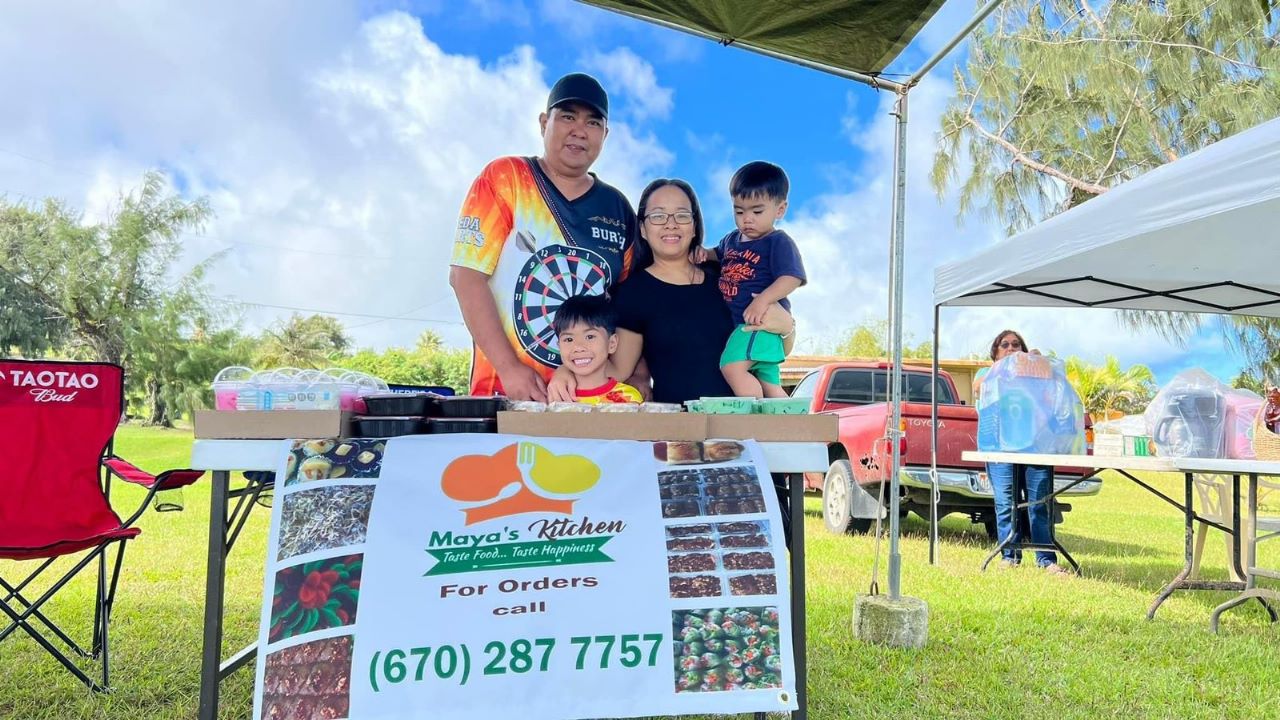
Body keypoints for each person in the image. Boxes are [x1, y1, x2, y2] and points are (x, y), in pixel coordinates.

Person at [449, 72, 638, 401]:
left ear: (605, 134)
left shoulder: (618, 207)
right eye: (567, 117)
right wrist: (510, 369)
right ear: (543, 122)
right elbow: (466, 276)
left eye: (593, 123)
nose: (579, 130)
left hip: (590, 404)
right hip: (503, 395)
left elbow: (630, 304)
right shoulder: (506, 178)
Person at [548, 178, 795, 405]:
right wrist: (565, 371)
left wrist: (787, 329)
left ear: (695, 225)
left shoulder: (729, 276)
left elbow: (771, 349)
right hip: (680, 433)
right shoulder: (633, 293)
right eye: (658, 216)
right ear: (643, 229)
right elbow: (617, 370)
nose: (671, 224)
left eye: (681, 215)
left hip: (745, 427)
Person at [696, 161, 805, 399]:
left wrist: (762, 301)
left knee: (732, 367)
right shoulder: (732, 239)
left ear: (780, 209)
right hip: (749, 326)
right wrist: (705, 253)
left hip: (758, 324)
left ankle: (751, 417)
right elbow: (718, 253)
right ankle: (791, 425)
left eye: (757, 212)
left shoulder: (778, 242)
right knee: (769, 384)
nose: (747, 219)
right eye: (739, 211)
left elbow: (792, 277)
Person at [974, 329, 1070, 576]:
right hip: (999, 449)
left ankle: (1046, 560)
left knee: (1039, 504)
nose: (1010, 348)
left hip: (1035, 447)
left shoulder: (1035, 373)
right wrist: (1005, 368)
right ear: (995, 352)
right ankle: (1009, 556)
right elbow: (978, 388)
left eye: (1016, 345)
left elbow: (1056, 390)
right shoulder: (987, 373)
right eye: (1004, 345)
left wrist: (1040, 363)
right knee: (1006, 503)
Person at [552, 294, 643, 405]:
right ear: (559, 346)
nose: (578, 347)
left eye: (590, 337)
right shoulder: (556, 396)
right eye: (569, 339)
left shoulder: (629, 398)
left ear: (612, 344)